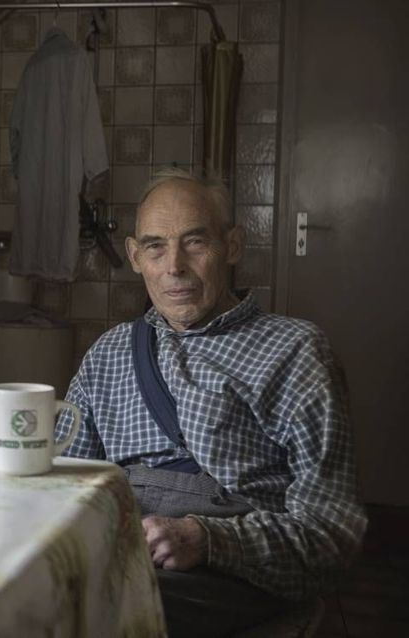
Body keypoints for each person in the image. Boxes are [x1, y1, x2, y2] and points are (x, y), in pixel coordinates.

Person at [56, 168, 366, 636]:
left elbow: (329, 536)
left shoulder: (296, 351)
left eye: (195, 243)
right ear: (135, 257)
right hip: (120, 555)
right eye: (156, 246)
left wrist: (208, 539)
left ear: (233, 247)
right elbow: (63, 489)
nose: (175, 266)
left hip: (228, 576)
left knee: (90, 606)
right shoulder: (109, 353)